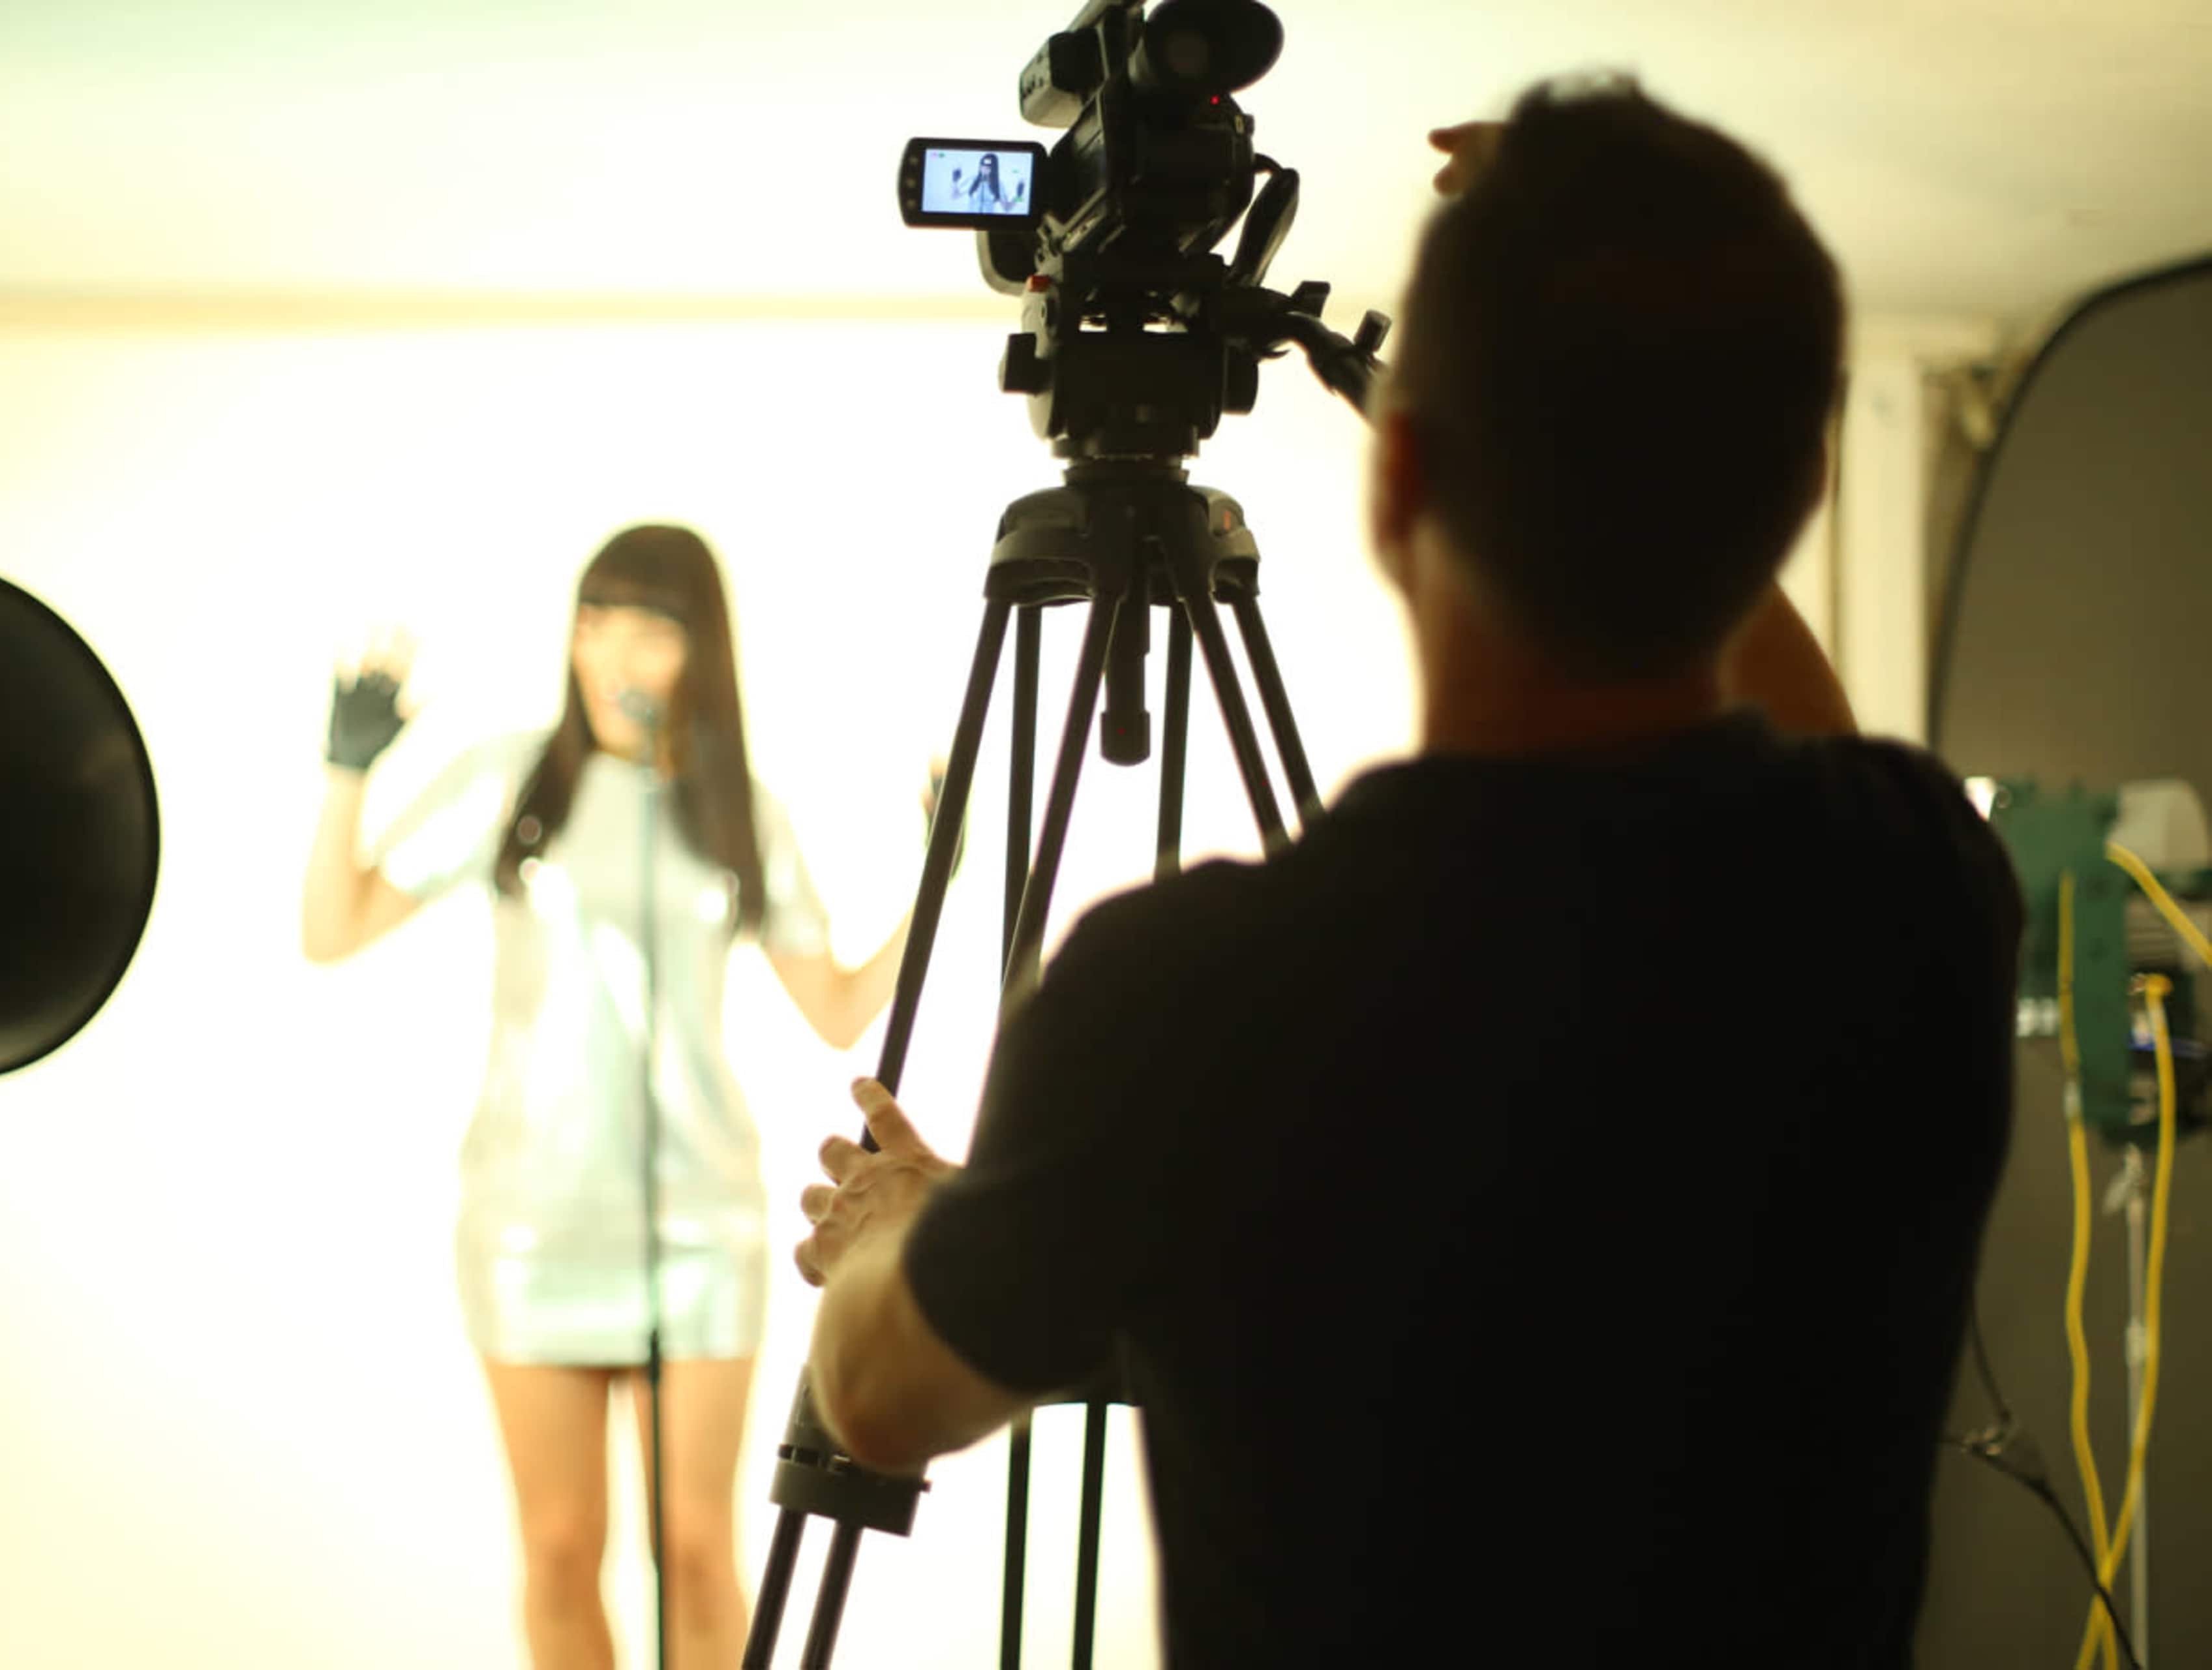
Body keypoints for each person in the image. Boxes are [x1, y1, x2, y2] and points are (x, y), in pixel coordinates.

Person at [791, 77, 2020, 1665]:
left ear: (1397, 490)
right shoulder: (1915, 891)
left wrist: (908, 1228)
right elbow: (1803, 737)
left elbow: (878, 1396)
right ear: (1796, 496)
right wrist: (1630, 319)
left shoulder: (1187, 994)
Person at [302, 525, 924, 1670]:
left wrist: (939, 877)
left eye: (647, 629)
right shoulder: (512, 780)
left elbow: (837, 1009)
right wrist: (349, 773)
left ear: (700, 651)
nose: (611, 654)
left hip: (701, 1230)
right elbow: (332, 929)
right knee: (558, 1547)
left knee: (696, 1549)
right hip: (532, 1228)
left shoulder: (740, 809)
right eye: (594, 623)